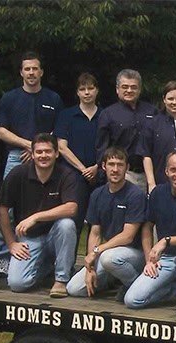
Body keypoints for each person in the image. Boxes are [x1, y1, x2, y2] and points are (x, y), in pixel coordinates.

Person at [0, 51, 64, 275]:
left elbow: (58, 131)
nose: (31, 72)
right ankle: (4, 256)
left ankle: (48, 256)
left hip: (46, 156)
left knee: (48, 204)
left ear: (41, 72)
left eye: (35, 68)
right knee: (7, 207)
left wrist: (38, 150)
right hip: (18, 156)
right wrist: (28, 146)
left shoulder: (53, 99)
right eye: (27, 69)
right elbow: (1, 131)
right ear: (21, 72)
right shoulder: (10, 98)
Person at [124, 151, 176, 317]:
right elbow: (147, 227)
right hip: (166, 260)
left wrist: (166, 240)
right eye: (173, 169)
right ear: (166, 171)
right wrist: (149, 259)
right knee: (132, 300)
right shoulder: (157, 194)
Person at [0, 133, 78, 296]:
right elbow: (1, 208)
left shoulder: (66, 174)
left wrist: (36, 217)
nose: (43, 156)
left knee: (67, 225)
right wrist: (11, 243)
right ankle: (46, 266)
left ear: (56, 153)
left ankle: (61, 279)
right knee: (17, 284)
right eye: (39, 152)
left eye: (48, 151)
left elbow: (71, 208)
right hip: (29, 237)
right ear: (32, 154)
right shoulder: (18, 173)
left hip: (55, 236)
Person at [66, 147, 146, 299]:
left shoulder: (135, 195)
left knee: (108, 258)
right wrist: (90, 265)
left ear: (127, 167)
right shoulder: (97, 194)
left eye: (120, 165)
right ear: (104, 166)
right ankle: (109, 280)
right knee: (74, 289)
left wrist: (97, 251)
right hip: (108, 252)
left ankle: (134, 285)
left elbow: (128, 236)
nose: (115, 169)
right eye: (111, 164)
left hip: (134, 254)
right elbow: (95, 233)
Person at [53, 72, 104, 245]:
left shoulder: (105, 115)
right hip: (73, 176)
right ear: (77, 92)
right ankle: (68, 261)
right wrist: (83, 169)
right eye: (82, 89)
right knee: (74, 221)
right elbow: (61, 147)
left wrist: (96, 167)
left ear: (97, 90)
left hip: (100, 174)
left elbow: (110, 147)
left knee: (97, 223)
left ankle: (93, 260)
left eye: (90, 88)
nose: (87, 92)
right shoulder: (67, 115)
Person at [95, 69, 158, 193]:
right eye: (125, 87)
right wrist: (104, 176)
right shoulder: (108, 114)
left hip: (150, 175)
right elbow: (102, 149)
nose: (129, 90)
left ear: (140, 90)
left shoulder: (152, 112)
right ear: (117, 89)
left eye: (133, 87)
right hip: (122, 174)